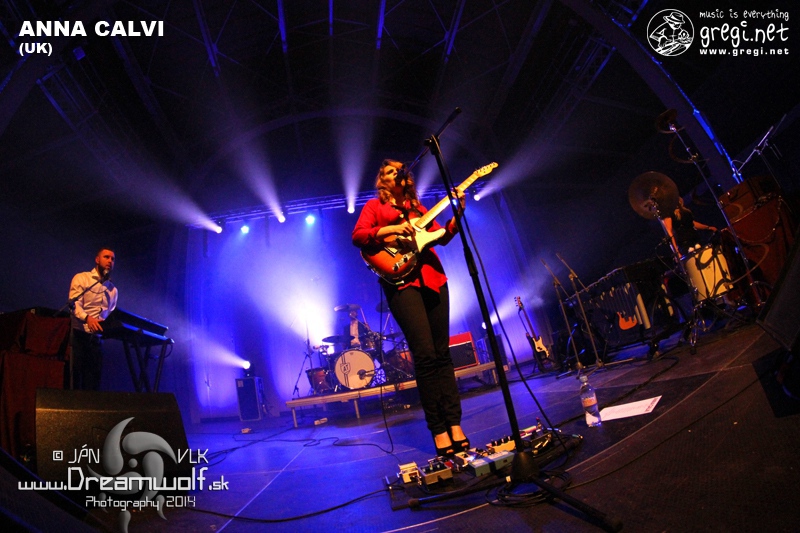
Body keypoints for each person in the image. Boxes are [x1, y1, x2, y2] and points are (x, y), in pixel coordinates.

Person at [352, 159, 468, 456]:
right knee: (426, 356)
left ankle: (455, 423)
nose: (398, 173)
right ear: (382, 181)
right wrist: (390, 228)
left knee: (442, 354)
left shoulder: (418, 208)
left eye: (400, 169)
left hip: (434, 278)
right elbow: (358, 236)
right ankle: (439, 429)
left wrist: (457, 214)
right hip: (402, 284)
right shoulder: (374, 207)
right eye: (391, 171)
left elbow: (442, 237)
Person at [68, 247, 118, 390]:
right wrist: (87, 318)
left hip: (97, 340)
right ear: (97, 259)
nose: (110, 261)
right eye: (106, 257)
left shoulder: (113, 290)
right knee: (75, 381)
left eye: (112, 259)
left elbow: (110, 313)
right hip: (79, 336)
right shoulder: (82, 278)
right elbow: (74, 304)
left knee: (92, 384)